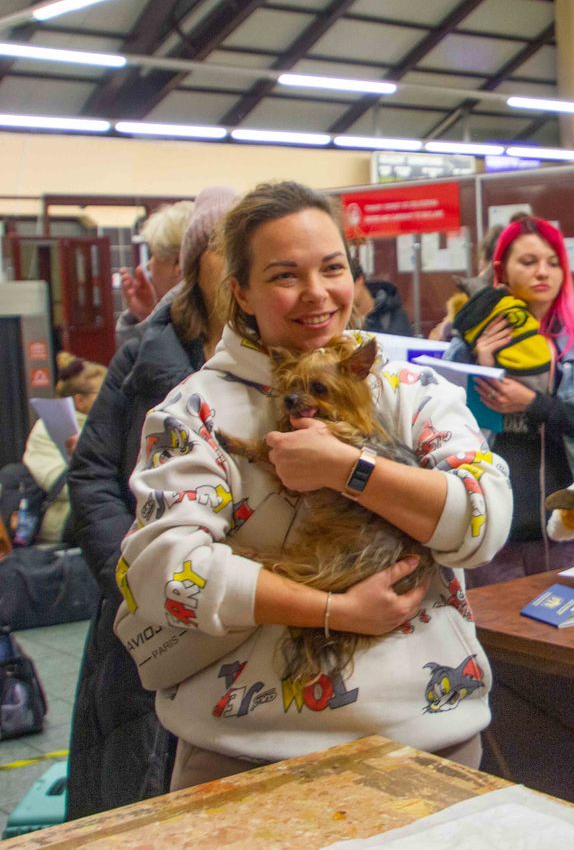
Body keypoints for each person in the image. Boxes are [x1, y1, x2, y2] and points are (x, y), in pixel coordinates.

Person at [114, 180, 510, 791]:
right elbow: (169, 570)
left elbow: (483, 519)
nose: (317, 294)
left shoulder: (407, 391)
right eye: (284, 275)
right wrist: (337, 611)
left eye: (333, 268)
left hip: (427, 740)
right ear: (240, 291)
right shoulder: (193, 411)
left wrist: (350, 471)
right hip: (244, 756)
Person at [66, 185, 237, 817]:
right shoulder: (145, 352)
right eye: (224, 248)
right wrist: (137, 579)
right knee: (139, 784)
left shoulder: (286, 354)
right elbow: (90, 475)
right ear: (196, 264)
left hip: (245, 612)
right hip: (143, 619)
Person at [444, 216, 574, 585]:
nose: (543, 273)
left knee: (568, 627)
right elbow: (446, 429)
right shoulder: (468, 342)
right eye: (529, 262)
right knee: (495, 633)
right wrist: (481, 368)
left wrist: (534, 403)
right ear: (501, 270)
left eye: (554, 263)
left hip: (565, 526)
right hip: (489, 528)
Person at [21, 352, 106, 545]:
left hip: (102, 507)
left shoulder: (111, 425)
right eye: (102, 394)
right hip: (64, 516)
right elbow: (61, 486)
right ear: (80, 400)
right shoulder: (49, 428)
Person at [116, 201, 194, 349]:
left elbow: (147, 366)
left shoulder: (196, 331)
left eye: (153, 255)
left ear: (178, 263)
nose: (148, 266)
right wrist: (146, 316)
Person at [352, 258, 414, 336]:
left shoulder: (390, 313)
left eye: (347, 287)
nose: (344, 294)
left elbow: (401, 343)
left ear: (360, 280)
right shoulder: (339, 316)